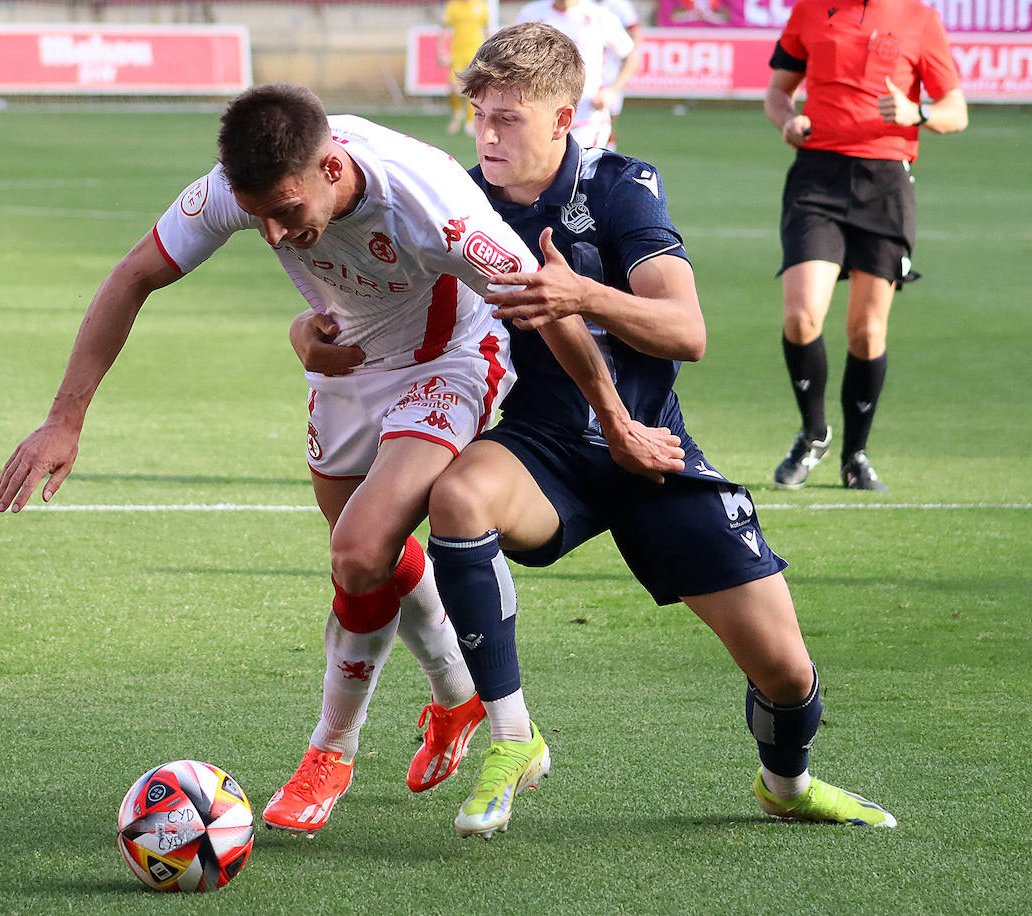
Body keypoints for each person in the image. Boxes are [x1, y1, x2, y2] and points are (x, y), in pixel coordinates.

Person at [0, 83, 680, 836]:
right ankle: (457, 696)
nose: (277, 236)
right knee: (368, 557)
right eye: (259, 219)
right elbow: (134, 276)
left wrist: (615, 421)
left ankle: (332, 748)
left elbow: (545, 310)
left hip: (448, 359)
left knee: (358, 551)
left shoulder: (432, 204)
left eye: (287, 212)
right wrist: (65, 420)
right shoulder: (240, 188)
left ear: (330, 167)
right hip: (346, 362)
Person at [295, 23, 898, 840]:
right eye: (481, 115)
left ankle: (785, 784)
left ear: (563, 119)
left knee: (787, 672)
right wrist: (308, 334)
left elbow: (688, 331)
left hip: (654, 453)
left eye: (510, 118)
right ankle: (511, 737)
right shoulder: (455, 200)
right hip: (543, 450)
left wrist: (584, 295)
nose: (489, 134)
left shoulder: (619, 191)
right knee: (460, 496)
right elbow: (377, 305)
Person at [765, 0, 967, 490]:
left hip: (886, 182)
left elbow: (955, 111)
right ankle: (814, 433)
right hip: (817, 179)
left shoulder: (920, 19)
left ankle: (855, 455)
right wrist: (787, 121)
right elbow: (777, 93)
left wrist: (916, 111)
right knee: (800, 316)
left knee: (867, 334)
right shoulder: (809, 12)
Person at [514, 0, 634, 150]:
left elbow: (631, 56)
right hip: (543, 114)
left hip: (588, 113)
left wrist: (612, 91)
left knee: (582, 170)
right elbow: (516, 57)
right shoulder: (531, 14)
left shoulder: (600, 16)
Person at [593, 0, 641, 149]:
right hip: (588, 69)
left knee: (609, 114)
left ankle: (608, 149)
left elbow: (635, 33)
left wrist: (628, 54)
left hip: (610, 69)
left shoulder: (619, 5)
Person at [439, 0, 489, 135]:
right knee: (453, 87)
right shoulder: (453, 6)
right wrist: (441, 50)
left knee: (473, 87)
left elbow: (486, 29)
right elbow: (444, 29)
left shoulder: (481, 5)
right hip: (457, 53)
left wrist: (490, 51)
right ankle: (457, 112)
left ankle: (470, 121)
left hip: (475, 51)